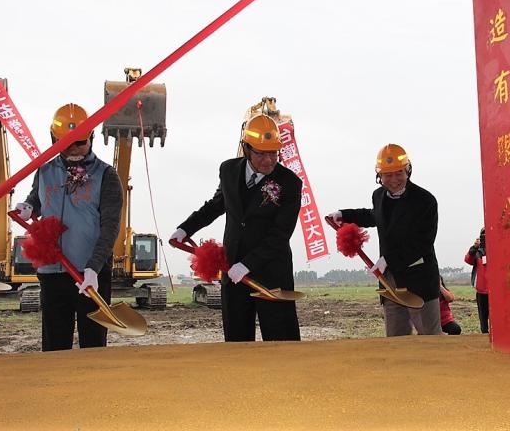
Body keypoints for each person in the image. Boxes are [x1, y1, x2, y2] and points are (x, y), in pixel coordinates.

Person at [171, 114, 302, 342]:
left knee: (282, 340)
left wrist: (248, 264)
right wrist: (185, 229)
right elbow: (216, 205)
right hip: (232, 272)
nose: (269, 160)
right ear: (246, 148)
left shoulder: (290, 183)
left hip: (271, 274)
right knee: (237, 339)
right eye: (262, 153)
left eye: (274, 152)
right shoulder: (229, 171)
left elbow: (280, 234)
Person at [16, 103, 123, 351]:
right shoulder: (44, 170)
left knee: (93, 344)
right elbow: (38, 199)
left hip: (89, 276)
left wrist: (94, 268)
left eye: (80, 142)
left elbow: (110, 227)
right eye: (66, 144)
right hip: (52, 271)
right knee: (54, 344)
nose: (74, 149)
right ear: (54, 139)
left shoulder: (106, 175)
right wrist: (29, 207)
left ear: (92, 138)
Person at [329, 144, 442, 336]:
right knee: (396, 336)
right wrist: (344, 214)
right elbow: (375, 216)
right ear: (379, 176)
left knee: (430, 337)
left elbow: (423, 242)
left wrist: (388, 259)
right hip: (389, 280)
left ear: (408, 171)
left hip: (419, 280)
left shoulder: (425, 201)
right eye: (387, 175)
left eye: (399, 173)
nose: (394, 180)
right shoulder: (379, 195)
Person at [465, 227, 489, 334]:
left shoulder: (497, 249)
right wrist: (474, 247)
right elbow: (468, 260)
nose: (485, 237)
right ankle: (484, 335)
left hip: (495, 291)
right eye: (483, 235)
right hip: (481, 291)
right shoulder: (476, 252)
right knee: (483, 317)